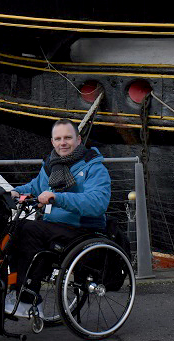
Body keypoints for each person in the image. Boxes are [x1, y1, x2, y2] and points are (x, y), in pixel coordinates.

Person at [8, 119, 111, 317]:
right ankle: (14, 290)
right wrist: (13, 193)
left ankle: (28, 300)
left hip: (82, 230)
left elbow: (97, 203)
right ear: (52, 142)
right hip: (53, 227)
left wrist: (58, 198)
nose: (63, 143)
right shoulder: (51, 165)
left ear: (78, 140)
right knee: (13, 230)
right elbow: (34, 187)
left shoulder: (93, 167)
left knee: (26, 230)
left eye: (67, 138)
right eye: (58, 139)